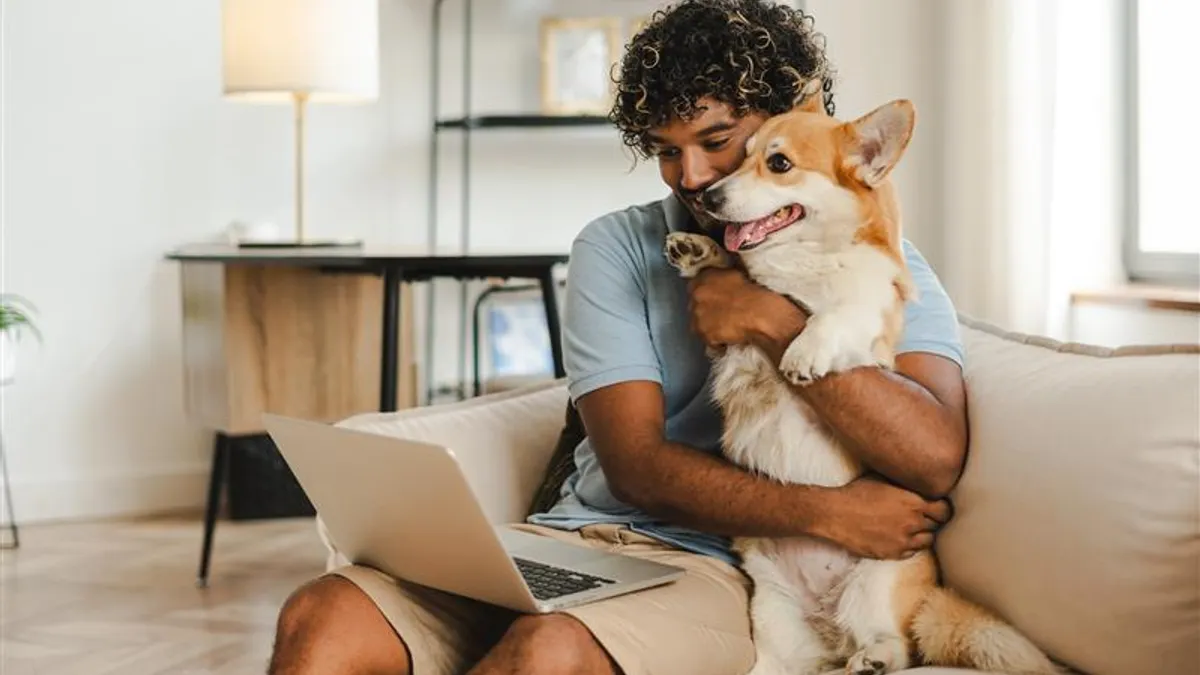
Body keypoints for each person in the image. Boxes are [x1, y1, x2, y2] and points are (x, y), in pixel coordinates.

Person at [267, 1, 968, 673]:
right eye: (666, 151)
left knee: (549, 648)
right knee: (324, 611)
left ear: (787, 122)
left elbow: (935, 457)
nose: (692, 177)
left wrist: (770, 320)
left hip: (713, 567)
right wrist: (829, 514)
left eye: (716, 141)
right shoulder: (618, 247)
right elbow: (634, 466)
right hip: (568, 539)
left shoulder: (881, 265)